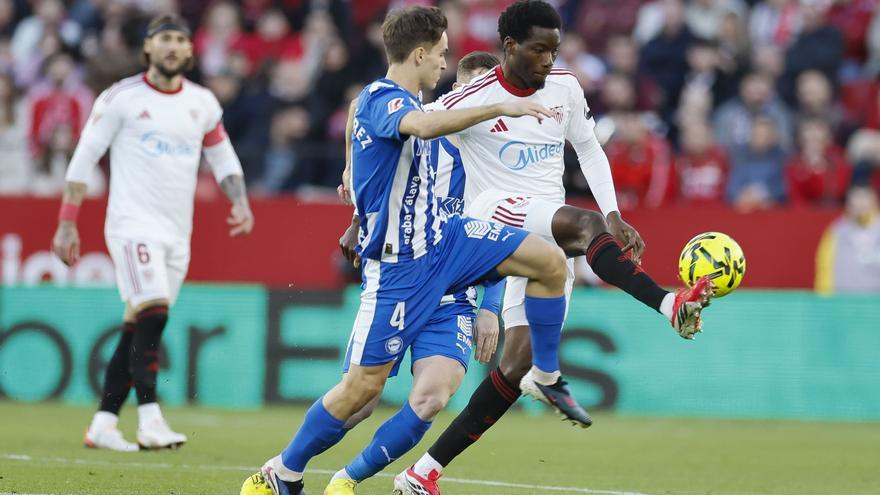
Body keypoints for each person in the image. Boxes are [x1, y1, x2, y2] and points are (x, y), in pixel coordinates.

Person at [241, 7, 590, 495]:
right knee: (362, 393)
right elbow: (416, 128)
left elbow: (358, 127)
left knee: (549, 262)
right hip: (401, 266)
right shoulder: (388, 100)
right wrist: (500, 108)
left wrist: (350, 171)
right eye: (442, 56)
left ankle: (546, 374)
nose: (444, 66)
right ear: (421, 54)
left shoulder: (414, 106)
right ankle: (282, 470)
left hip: (448, 243)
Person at [393, 2, 713, 493]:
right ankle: (670, 304)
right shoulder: (473, 96)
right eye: (538, 50)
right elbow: (404, 128)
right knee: (582, 227)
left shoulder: (565, 86)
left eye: (554, 49)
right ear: (510, 47)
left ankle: (423, 473)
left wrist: (613, 214)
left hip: (544, 233)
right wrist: (356, 182)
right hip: (493, 217)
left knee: (513, 366)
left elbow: (588, 147)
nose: (547, 60)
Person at [51, 14, 254, 452]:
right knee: (155, 314)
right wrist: (67, 221)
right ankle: (150, 419)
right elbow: (84, 159)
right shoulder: (121, 98)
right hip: (131, 226)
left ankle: (104, 423)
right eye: (164, 39)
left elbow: (222, 156)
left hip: (177, 233)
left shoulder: (201, 102)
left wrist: (239, 200)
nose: (173, 47)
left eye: (181, 40)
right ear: (148, 48)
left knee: (137, 326)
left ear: (190, 50)